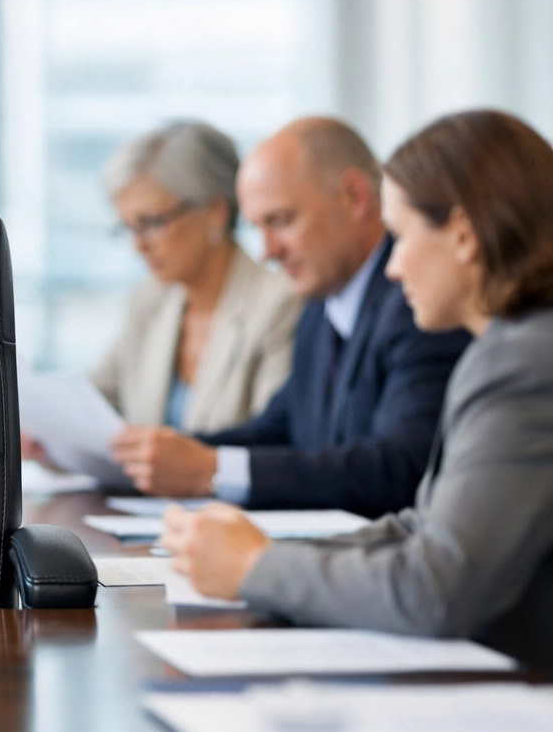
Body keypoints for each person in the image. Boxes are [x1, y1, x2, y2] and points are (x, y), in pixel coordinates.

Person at [163, 110, 553, 667]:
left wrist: (256, 569)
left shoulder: (521, 364)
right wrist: (260, 555)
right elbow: (424, 527)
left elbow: (434, 590)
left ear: (464, 236)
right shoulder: (513, 349)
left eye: (402, 236)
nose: (392, 268)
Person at [108, 117, 471, 517]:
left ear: (354, 197)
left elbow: (400, 466)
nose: (267, 251)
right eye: (258, 227)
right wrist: (158, 458)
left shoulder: (418, 301)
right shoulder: (322, 302)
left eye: (280, 221)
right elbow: (277, 431)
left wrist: (211, 470)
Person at [89, 121, 299, 432]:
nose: (139, 246)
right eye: (129, 228)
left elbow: (272, 440)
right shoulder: (149, 299)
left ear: (215, 210)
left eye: (151, 223)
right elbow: (92, 400)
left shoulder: (281, 304)